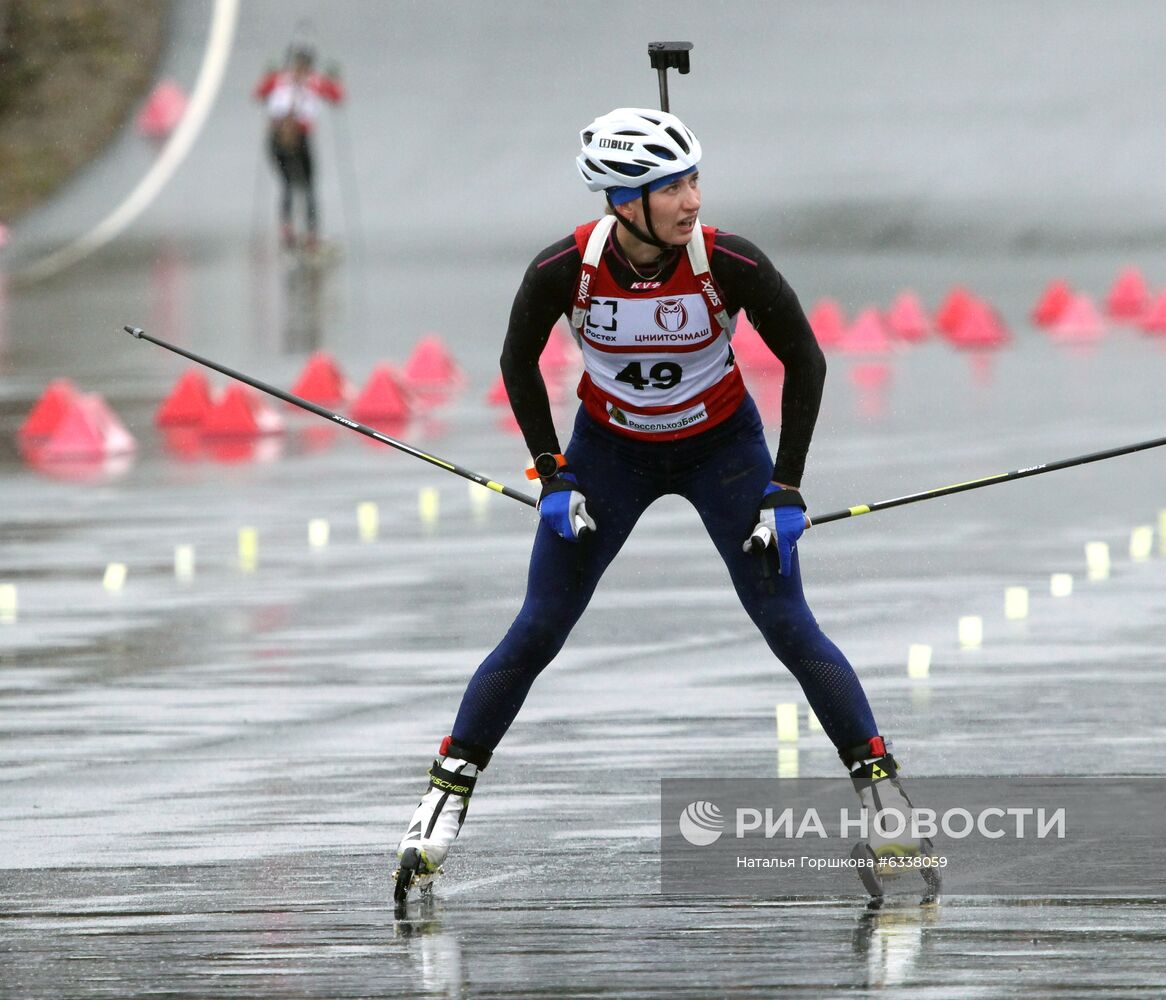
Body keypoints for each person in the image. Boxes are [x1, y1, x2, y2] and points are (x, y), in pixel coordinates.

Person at [394, 108, 938, 904]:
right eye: (671, 186)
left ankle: (888, 809)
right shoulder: (564, 270)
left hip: (723, 449)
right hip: (610, 454)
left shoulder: (728, 261)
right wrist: (552, 474)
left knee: (786, 621)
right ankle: (438, 810)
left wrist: (785, 488)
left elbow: (806, 361)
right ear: (623, 200)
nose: (691, 199)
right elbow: (517, 360)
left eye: (693, 179)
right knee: (538, 626)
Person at [252, 46, 343, 250]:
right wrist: (335, 79)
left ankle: (291, 231)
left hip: (280, 138)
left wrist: (268, 77)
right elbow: (337, 97)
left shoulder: (281, 79)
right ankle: (306, 234)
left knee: (292, 184)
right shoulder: (312, 81)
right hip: (294, 137)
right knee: (304, 185)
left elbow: (259, 93)